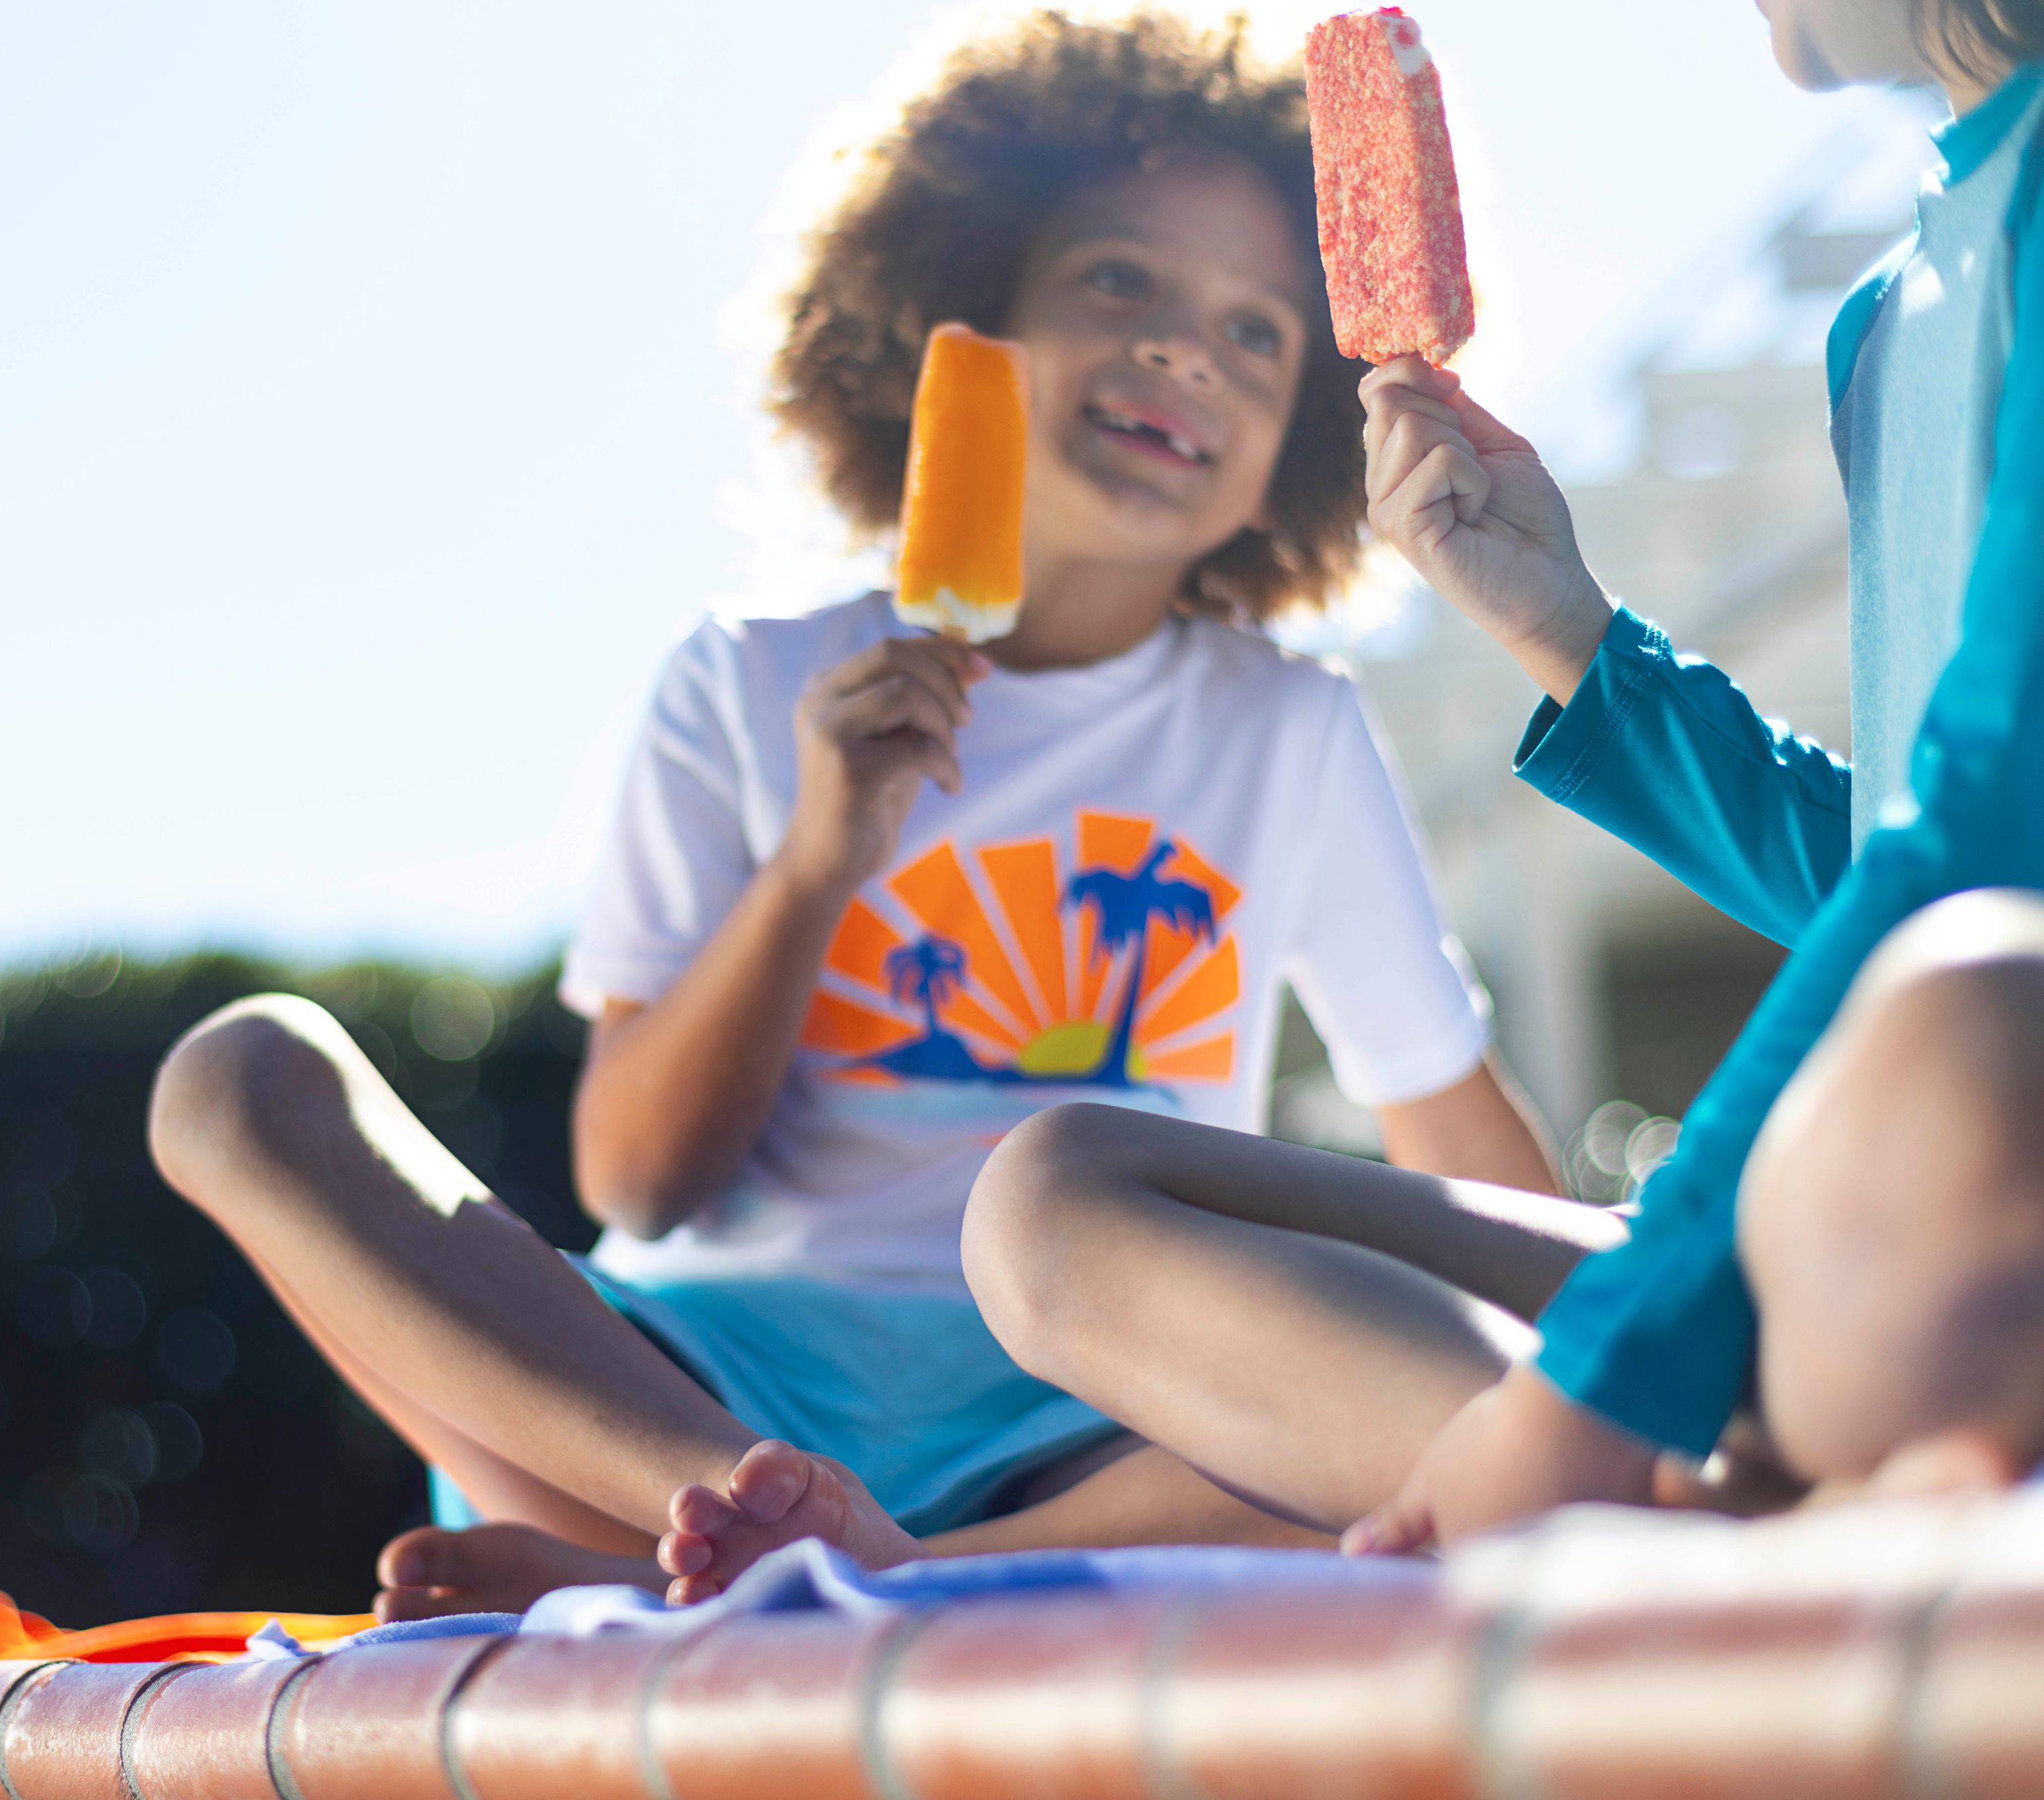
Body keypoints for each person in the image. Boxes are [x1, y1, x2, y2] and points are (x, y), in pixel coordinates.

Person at [148, 9, 1568, 1619]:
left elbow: (1446, 1134)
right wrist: (820, 854)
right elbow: (636, 1177)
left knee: (1434, 1419)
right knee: (238, 1076)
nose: (1189, 347)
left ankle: (815, 1575)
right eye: (1120, 281)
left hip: (1100, 1394)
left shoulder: (1288, 732)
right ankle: (719, 1521)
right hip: (686, 1391)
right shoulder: (746, 686)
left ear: (1296, 437)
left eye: (1260, 333)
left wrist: (1619, 1322)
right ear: (959, 322)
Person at [944, 0, 2044, 1560]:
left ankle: (1614, 1464)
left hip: (1987, 1133)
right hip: (1894, 1184)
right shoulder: (1885, 317)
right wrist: (1573, 639)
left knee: (1965, 1008)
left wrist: (1576, 1392)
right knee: (1052, 1196)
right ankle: (1706, 1501)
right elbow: (1884, 865)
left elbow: (1970, 867)